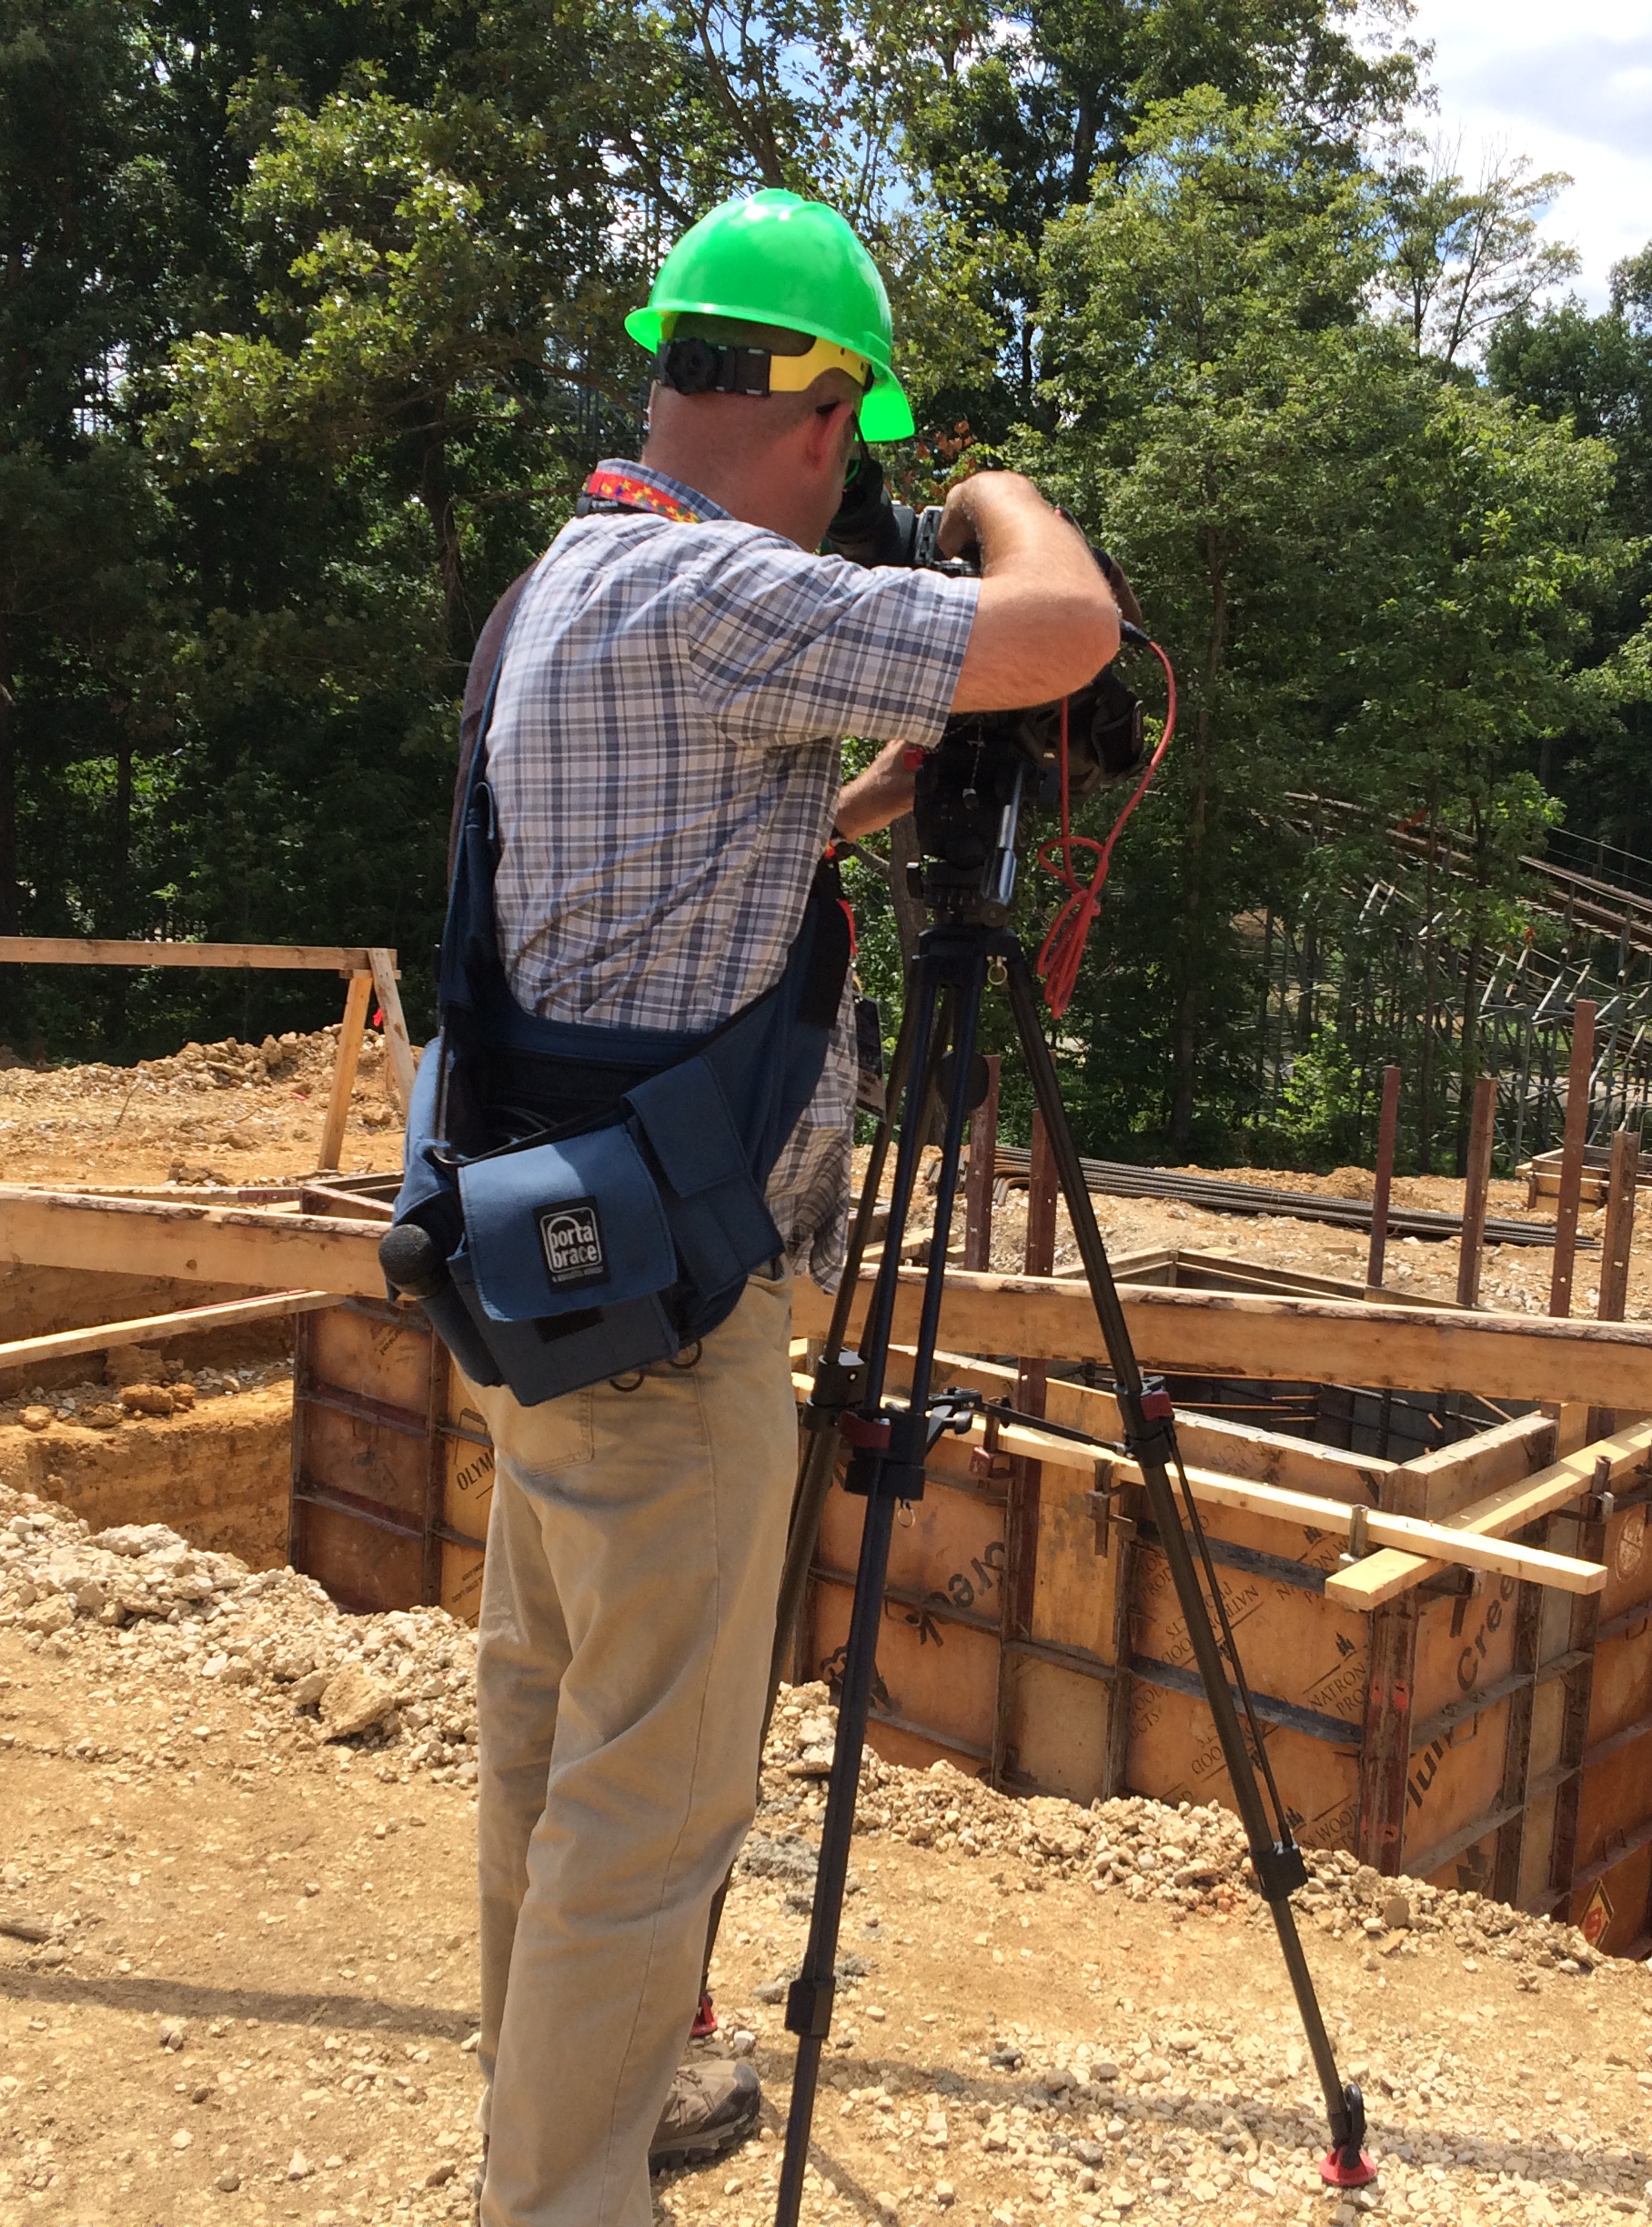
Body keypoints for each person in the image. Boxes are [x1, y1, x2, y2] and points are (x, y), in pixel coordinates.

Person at [449, 187, 1119, 2227]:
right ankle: (560, 2199)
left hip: (547, 1258)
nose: (868, 485)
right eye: (870, 440)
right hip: (680, 1317)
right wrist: (1002, 492)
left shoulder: (574, 579)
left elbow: (618, 892)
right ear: (819, 412)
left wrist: (842, 810)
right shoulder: (724, 585)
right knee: (656, 1798)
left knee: (553, 1727)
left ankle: (592, 2096)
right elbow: (1065, 632)